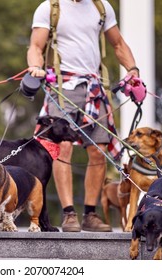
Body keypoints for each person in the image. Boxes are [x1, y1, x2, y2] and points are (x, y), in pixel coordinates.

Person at [27, 0, 139, 232]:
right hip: (61, 85)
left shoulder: (101, 7)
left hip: (94, 87)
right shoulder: (49, 8)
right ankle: (69, 214)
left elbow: (118, 44)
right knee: (62, 147)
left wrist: (133, 70)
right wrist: (36, 68)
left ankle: (90, 214)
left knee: (99, 148)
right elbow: (36, 47)